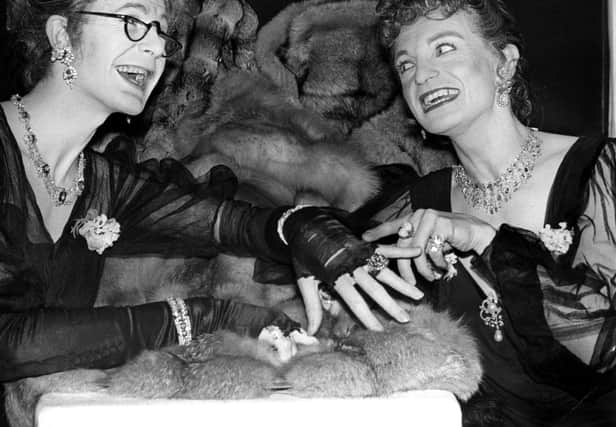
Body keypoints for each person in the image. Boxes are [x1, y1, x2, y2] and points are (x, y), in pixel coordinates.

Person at [0, 0, 426, 388]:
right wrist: (205, 315)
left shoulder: (98, 180)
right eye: (132, 21)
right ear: (61, 34)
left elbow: (225, 222)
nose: (155, 48)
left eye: (161, 31)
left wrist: (307, 229)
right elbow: (9, 340)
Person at [361, 0, 616, 425]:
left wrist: (487, 241)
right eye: (406, 66)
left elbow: (602, 344)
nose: (422, 75)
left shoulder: (598, 167)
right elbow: (338, 244)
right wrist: (299, 230)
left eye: (444, 48)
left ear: (504, 64)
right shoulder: (422, 200)